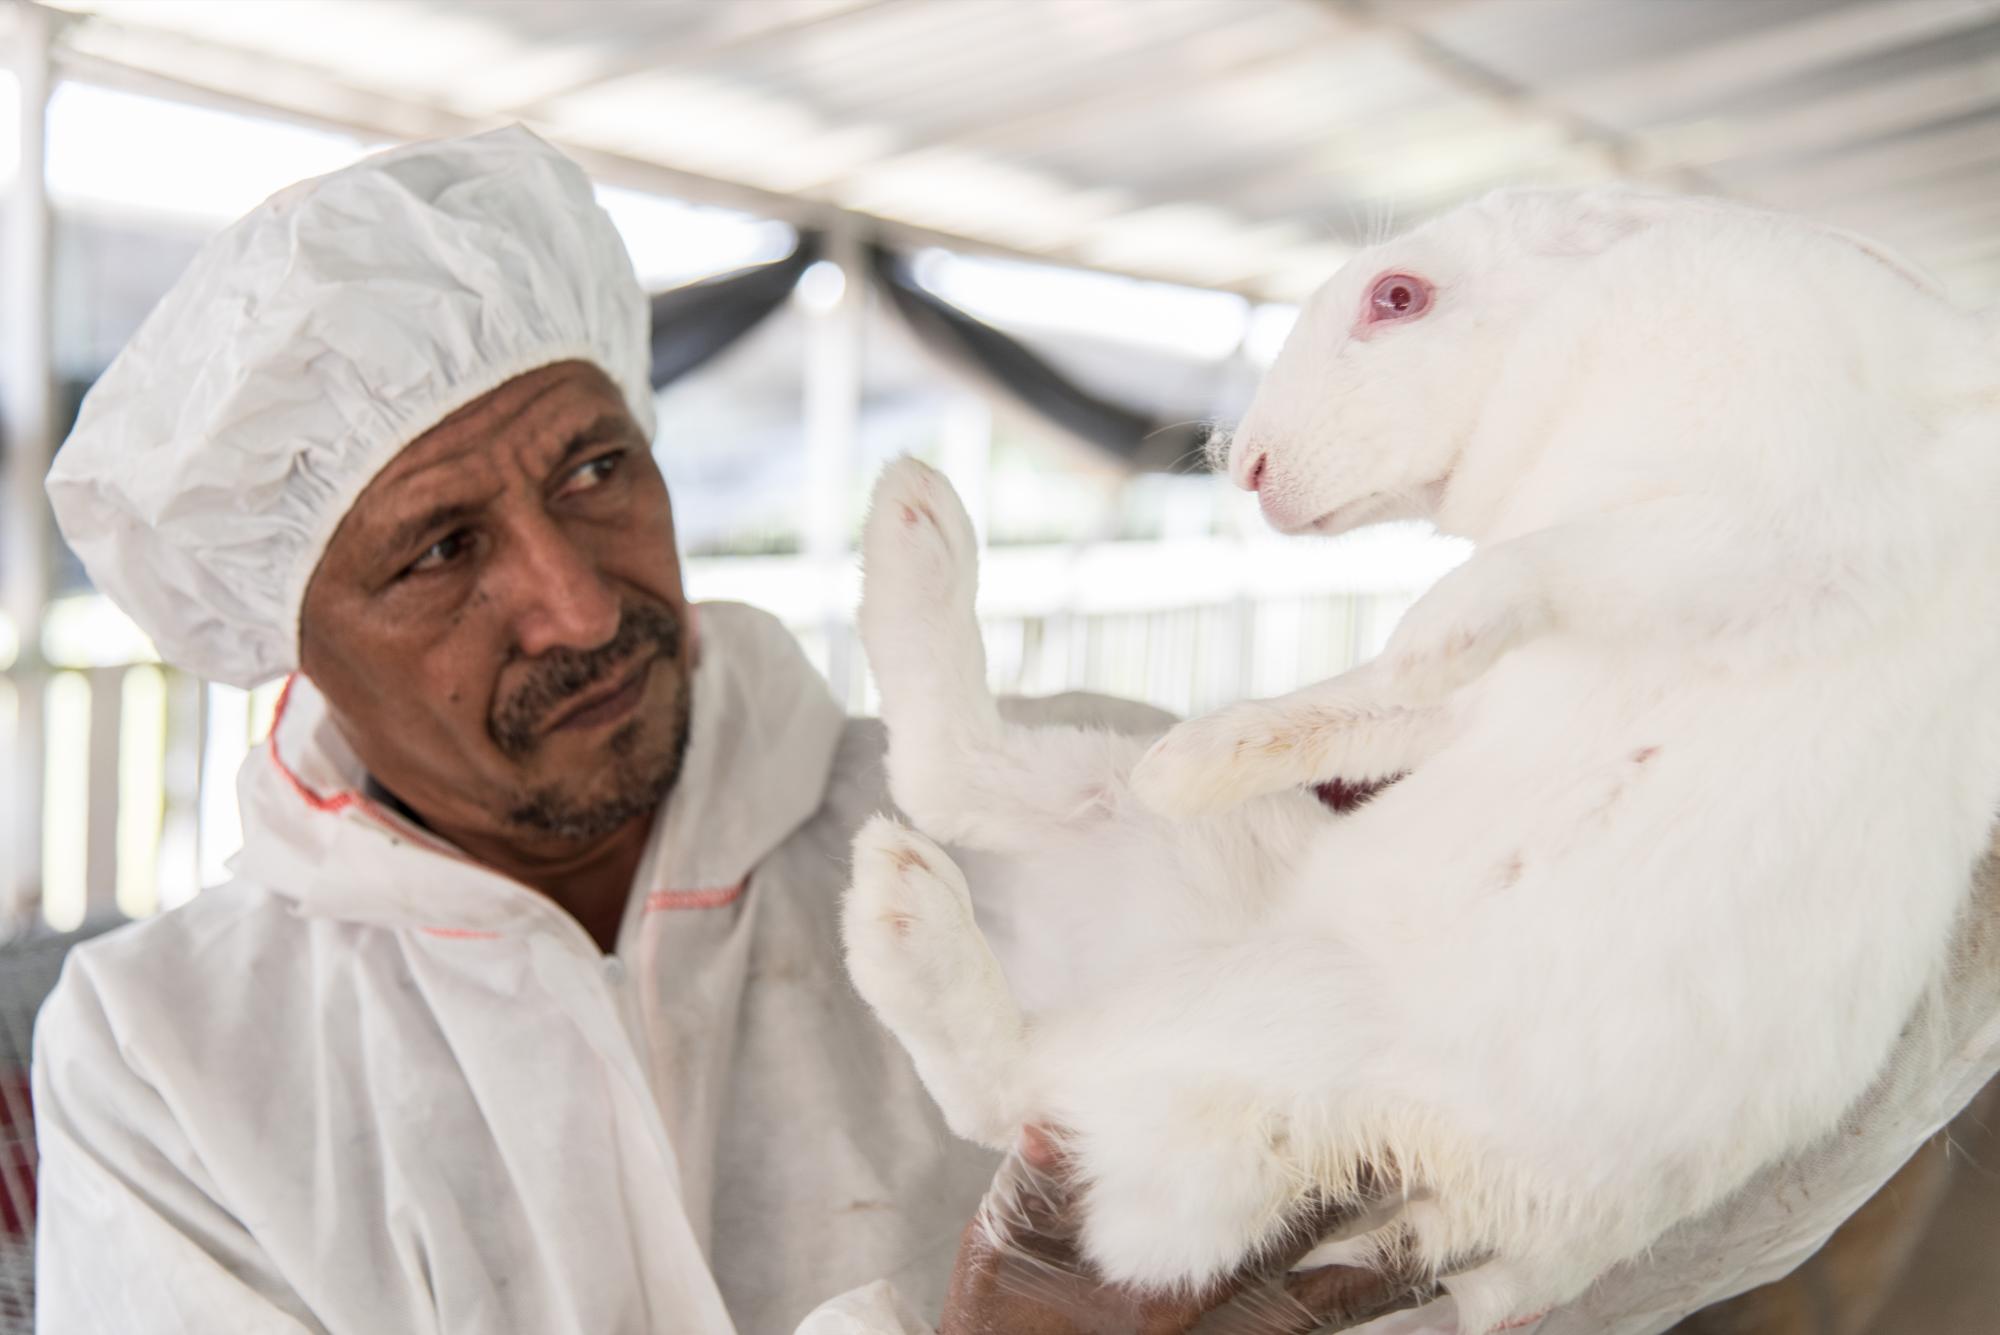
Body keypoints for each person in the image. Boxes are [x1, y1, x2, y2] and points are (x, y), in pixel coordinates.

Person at [31, 126, 2000, 1335]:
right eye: (443, 547)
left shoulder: (1058, 792)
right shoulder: (176, 1068)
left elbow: (1654, 1080)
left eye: (596, 463)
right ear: (282, 638)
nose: (571, 595)